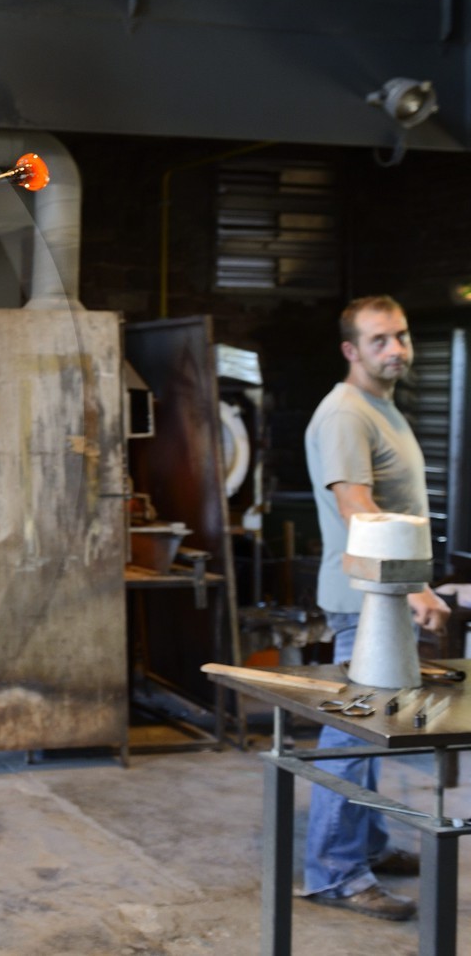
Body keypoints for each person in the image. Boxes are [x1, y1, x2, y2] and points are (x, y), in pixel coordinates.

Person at [302, 294, 451, 921]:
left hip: (381, 603)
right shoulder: (345, 414)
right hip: (367, 603)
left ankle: (365, 840)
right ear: (351, 350)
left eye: (401, 336)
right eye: (380, 340)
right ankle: (335, 872)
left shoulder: (380, 407)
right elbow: (356, 508)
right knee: (351, 736)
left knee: (369, 733)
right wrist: (411, 586)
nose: (396, 349)